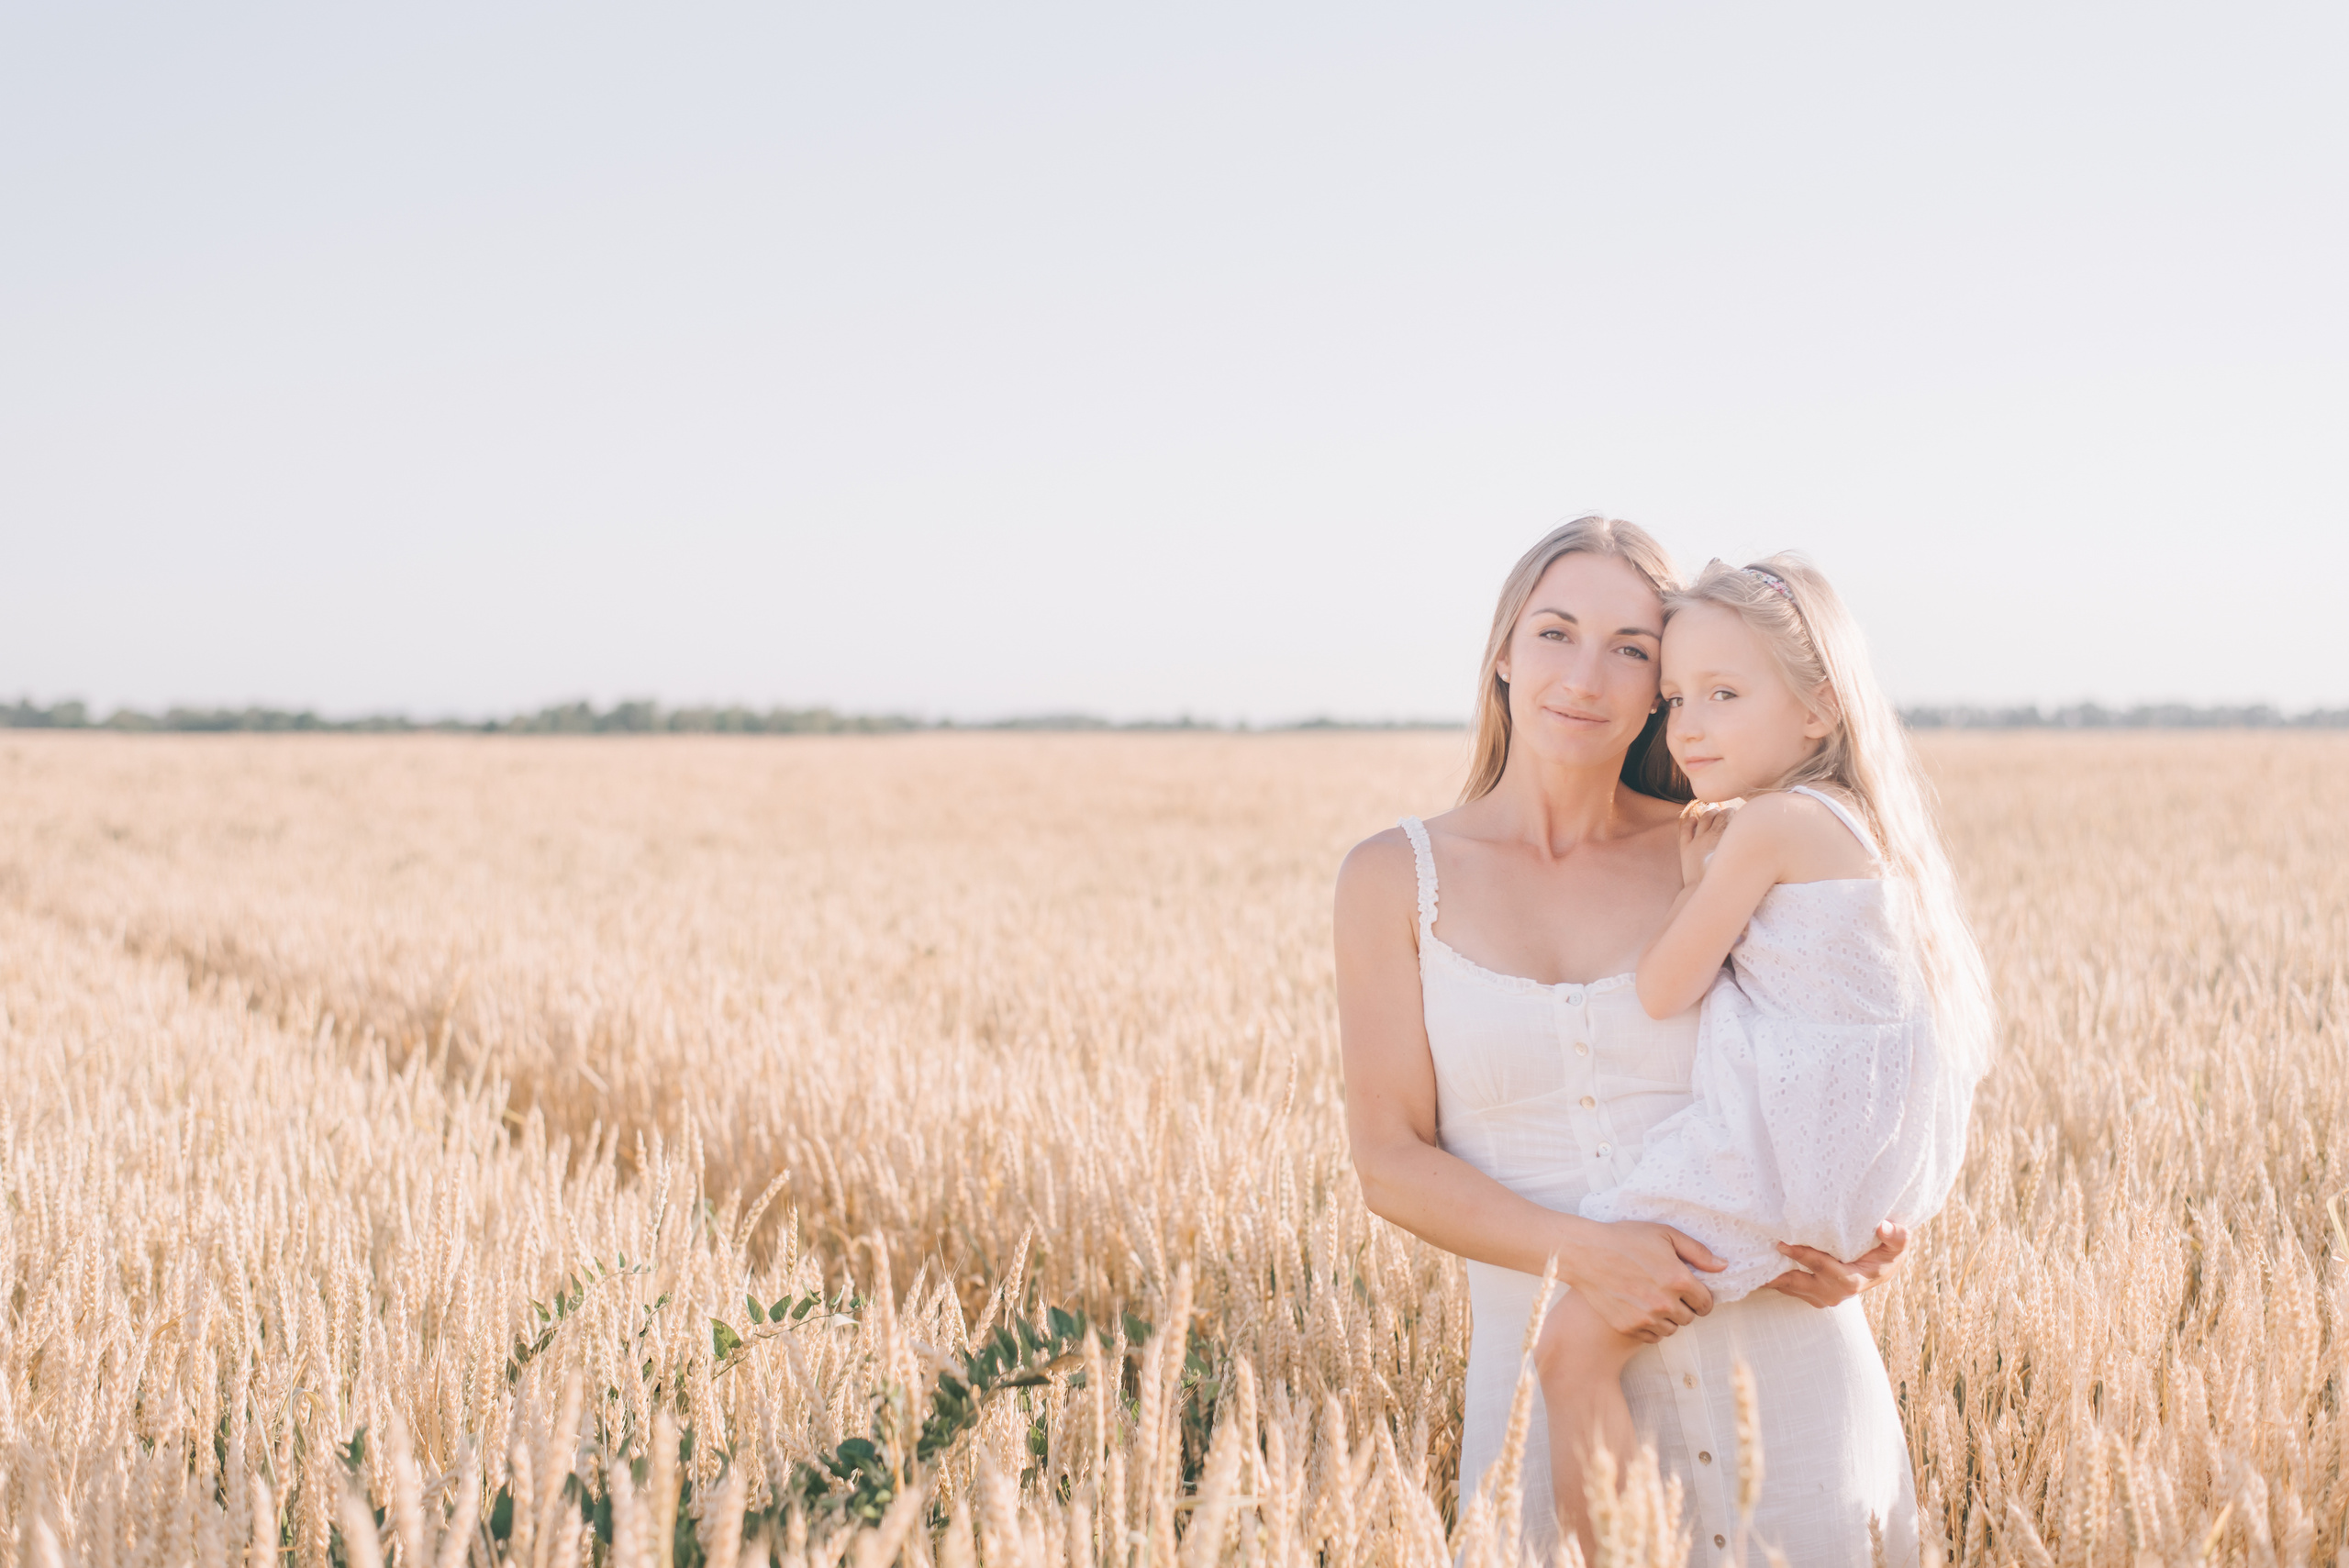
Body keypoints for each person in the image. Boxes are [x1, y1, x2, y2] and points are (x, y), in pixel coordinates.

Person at [1335, 519, 1925, 1564]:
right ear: (1504, 651)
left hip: (1781, 1390)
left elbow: (1856, 1035)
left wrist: (1867, 1220)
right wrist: (1588, 1255)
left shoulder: (1722, 843)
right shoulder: (1393, 876)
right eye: (1556, 632)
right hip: (1548, 1411)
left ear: (1665, 680)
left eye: (1631, 647)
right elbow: (1389, 1159)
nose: (1586, 675)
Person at [1531, 554, 1992, 1557]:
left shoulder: (1771, 826)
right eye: (1675, 699)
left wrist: (1697, 879)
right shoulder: (1862, 826)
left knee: (1569, 1347)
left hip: (1779, 1150)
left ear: (1819, 709)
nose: (1686, 725)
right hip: (1851, 1165)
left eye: (1724, 694)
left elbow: (1663, 988)